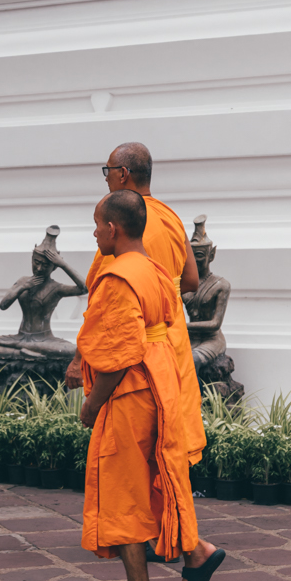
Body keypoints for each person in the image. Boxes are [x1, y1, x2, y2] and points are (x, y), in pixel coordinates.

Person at [76, 191, 225, 581]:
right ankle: (195, 552)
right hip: (162, 382)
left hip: (130, 390)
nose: (94, 232)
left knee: (123, 487)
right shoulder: (157, 271)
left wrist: (92, 403)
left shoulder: (118, 277)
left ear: (113, 229)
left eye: (96, 224)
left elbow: (119, 354)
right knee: (159, 473)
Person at [67, 144, 204, 513]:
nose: (107, 177)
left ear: (122, 175)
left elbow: (101, 301)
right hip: (172, 339)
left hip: (137, 348)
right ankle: (177, 527)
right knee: (172, 439)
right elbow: (191, 279)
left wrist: (80, 360)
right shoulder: (171, 218)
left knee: (137, 445)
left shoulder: (122, 231)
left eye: (107, 170)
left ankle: (148, 527)